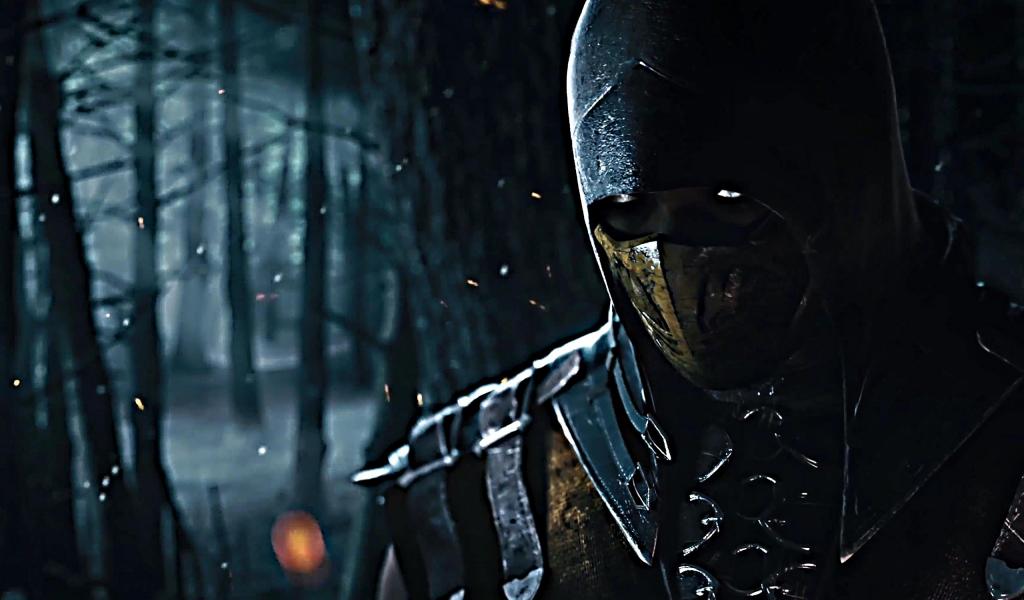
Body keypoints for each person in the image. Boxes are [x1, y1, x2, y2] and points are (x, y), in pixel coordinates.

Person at [355, 0, 1024, 598]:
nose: (675, 264)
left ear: (846, 180)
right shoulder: (480, 487)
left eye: (729, 202)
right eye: (630, 209)